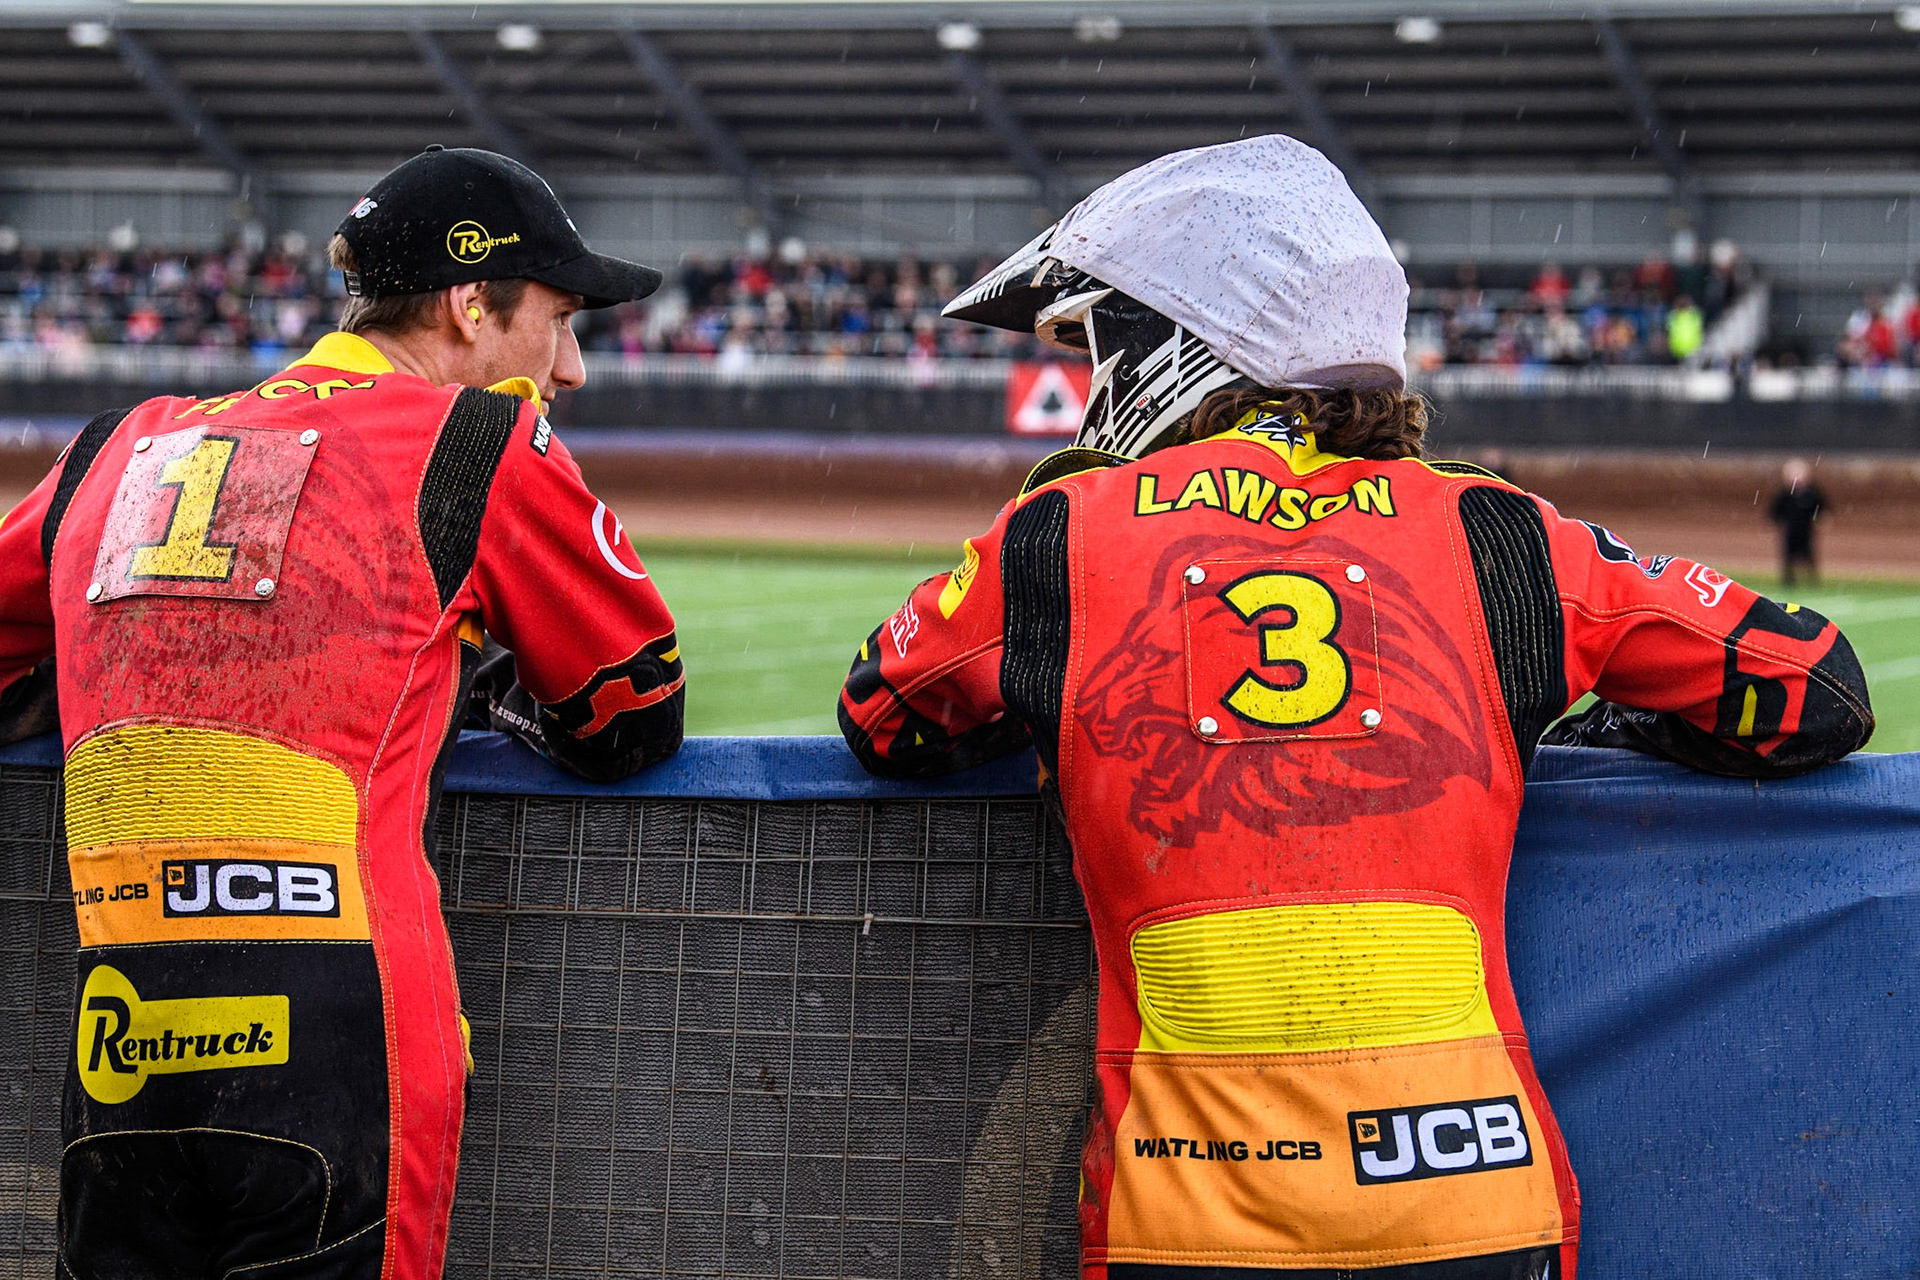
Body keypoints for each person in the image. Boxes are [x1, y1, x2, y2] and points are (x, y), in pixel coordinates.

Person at [837, 136, 1872, 1280]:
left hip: (1186, 1220)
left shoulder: (1059, 538)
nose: (1090, 389)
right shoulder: (1501, 533)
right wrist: (1602, 727)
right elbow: (1816, 689)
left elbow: (884, 713)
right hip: (1476, 1203)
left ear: (1169, 346)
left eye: (1096, 347)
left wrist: (1052, 695)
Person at [0, 146, 686, 1280]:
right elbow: (635, 709)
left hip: (122, 1024)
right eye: (560, 320)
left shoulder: (112, 446)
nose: (569, 367)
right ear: (471, 306)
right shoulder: (480, 443)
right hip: (343, 1028)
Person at [1768, 457, 1827, 586]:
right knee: (1788, 556)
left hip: (1806, 530)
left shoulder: (1812, 493)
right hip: (1790, 531)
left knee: (1808, 555)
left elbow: (1821, 509)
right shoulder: (1784, 494)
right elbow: (1774, 512)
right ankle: (1788, 580)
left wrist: (1821, 520)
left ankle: (1812, 580)